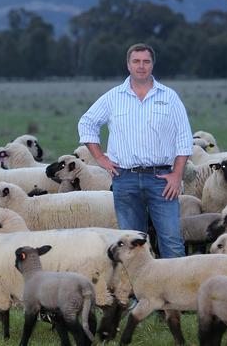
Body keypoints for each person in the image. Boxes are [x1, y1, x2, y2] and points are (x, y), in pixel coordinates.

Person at [78, 43, 193, 258]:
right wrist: (100, 158)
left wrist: (177, 175)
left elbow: (184, 138)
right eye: (136, 61)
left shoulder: (169, 97)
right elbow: (87, 123)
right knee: (131, 242)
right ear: (128, 64)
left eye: (146, 61)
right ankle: (136, 292)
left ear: (153, 64)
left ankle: (175, 289)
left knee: (171, 240)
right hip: (125, 179)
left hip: (162, 179)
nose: (141, 66)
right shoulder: (113, 97)